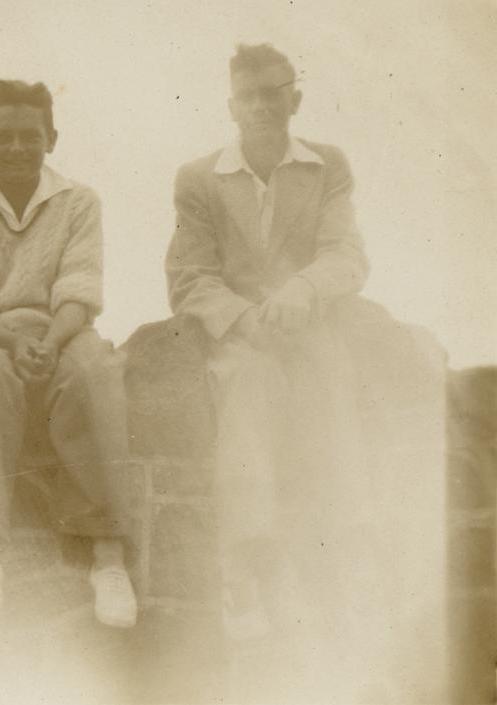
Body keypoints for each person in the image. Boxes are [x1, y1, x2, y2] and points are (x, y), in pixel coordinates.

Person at [166, 43, 387, 695]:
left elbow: (345, 253)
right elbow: (190, 275)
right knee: (248, 382)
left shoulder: (327, 165)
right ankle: (241, 570)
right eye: (248, 96)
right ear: (231, 105)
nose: (261, 106)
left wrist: (303, 289)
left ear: (295, 98)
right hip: (242, 334)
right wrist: (242, 317)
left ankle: (354, 555)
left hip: (309, 325)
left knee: (331, 372)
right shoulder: (199, 178)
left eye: (273, 93)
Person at [0, 79, 138, 628]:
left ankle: (108, 558)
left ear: (51, 138)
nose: (18, 147)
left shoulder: (79, 202)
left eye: (31, 136)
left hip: (64, 331)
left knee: (95, 373)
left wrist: (48, 342)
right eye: (5, 136)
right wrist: (13, 343)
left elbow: (79, 286)